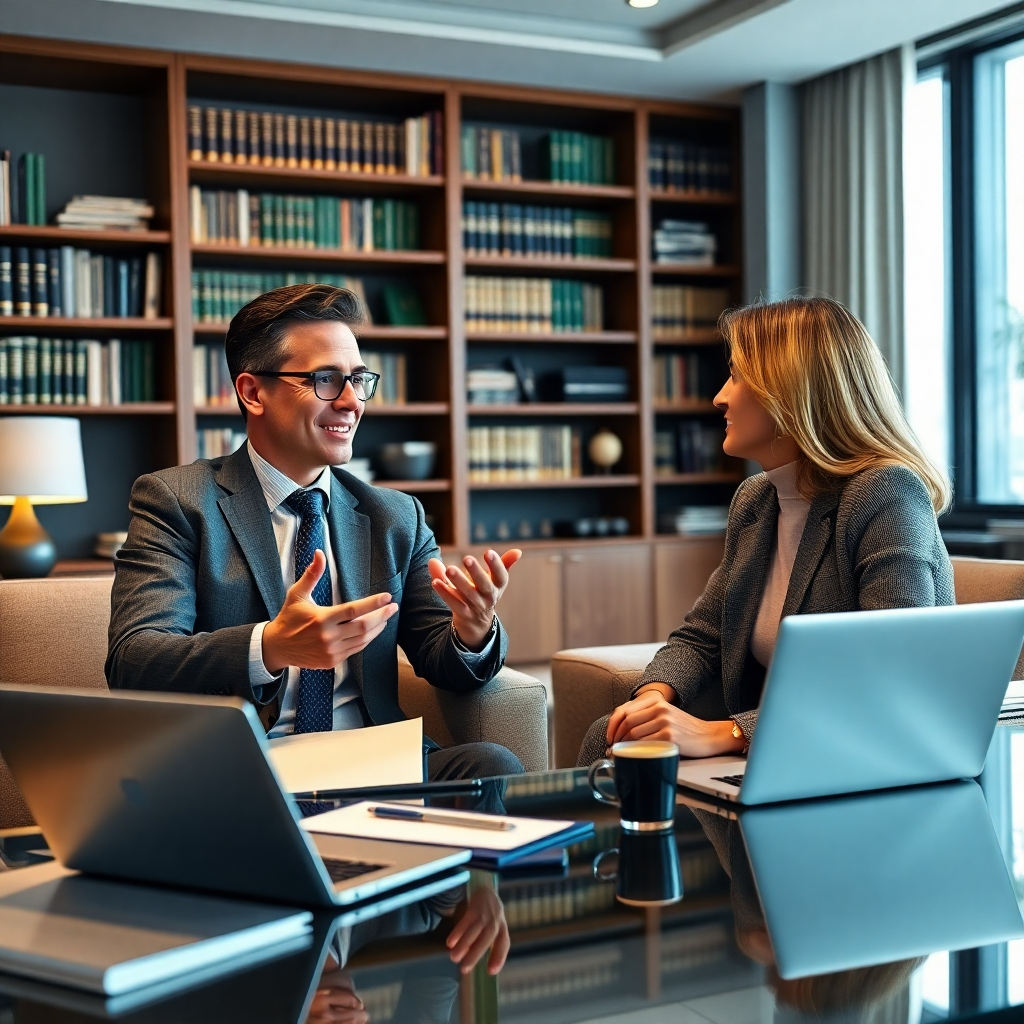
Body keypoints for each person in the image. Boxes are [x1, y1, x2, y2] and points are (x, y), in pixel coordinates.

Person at [107, 283, 524, 780]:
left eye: (359, 380)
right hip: (246, 770)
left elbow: (442, 660)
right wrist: (271, 647)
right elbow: (135, 659)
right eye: (326, 379)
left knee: (492, 767)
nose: (352, 402)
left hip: (369, 761)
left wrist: (472, 630)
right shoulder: (178, 500)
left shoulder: (396, 515)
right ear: (252, 392)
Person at [577, 296, 954, 766]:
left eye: (735, 376)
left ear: (789, 392)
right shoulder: (757, 500)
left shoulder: (884, 492)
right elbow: (703, 636)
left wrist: (728, 732)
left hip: (858, 750)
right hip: (785, 744)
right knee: (613, 737)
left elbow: (892, 672)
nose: (719, 396)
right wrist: (655, 697)